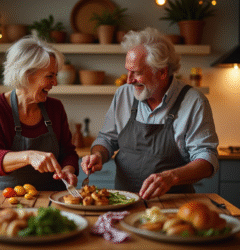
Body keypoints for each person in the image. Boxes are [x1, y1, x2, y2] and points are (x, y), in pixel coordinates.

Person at [81, 27, 219, 200]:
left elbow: (207, 160)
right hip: (124, 202)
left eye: (137, 73)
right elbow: (107, 139)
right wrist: (98, 155)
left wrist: (171, 177)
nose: (129, 80)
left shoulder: (193, 101)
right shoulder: (123, 94)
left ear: (162, 72)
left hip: (172, 204)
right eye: (127, 71)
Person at [0, 35, 79, 191]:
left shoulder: (55, 108)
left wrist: (68, 170)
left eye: (55, 76)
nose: (55, 83)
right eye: (50, 76)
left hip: (52, 198)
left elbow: (68, 153)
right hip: (7, 199)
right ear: (26, 74)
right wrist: (28, 156)